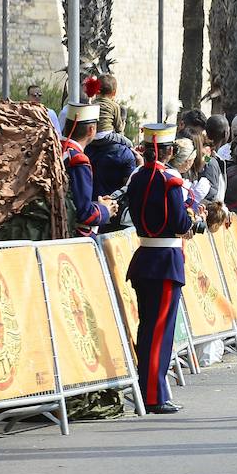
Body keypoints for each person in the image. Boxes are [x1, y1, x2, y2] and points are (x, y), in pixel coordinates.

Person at [124, 123, 191, 414]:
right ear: (169, 150)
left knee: (147, 327)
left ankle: (148, 388)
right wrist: (191, 221)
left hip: (144, 257)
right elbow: (179, 222)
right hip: (165, 260)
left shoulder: (137, 177)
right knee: (159, 330)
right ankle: (153, 394)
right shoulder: (170, 180)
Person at [61, 103, 117, 237]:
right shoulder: (78, 160)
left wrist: (97, 204)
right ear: (91, 130)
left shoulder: (54, 149)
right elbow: (84, 214)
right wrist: (105, 210)